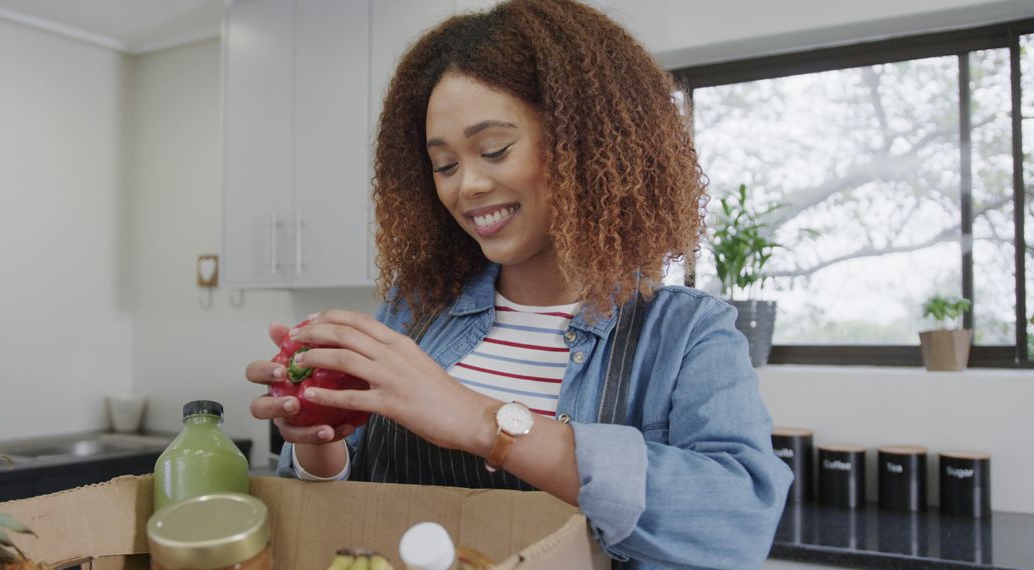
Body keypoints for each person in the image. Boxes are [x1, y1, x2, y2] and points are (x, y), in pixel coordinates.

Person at [246, 1, 792, 567]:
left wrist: (483, 422)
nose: (468, 186)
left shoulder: (685, 332)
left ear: (584, 145)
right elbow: (342, 503)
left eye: (494, 150)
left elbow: (739, 518)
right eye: (445, 165)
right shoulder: (415, 310)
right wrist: (319, 441)